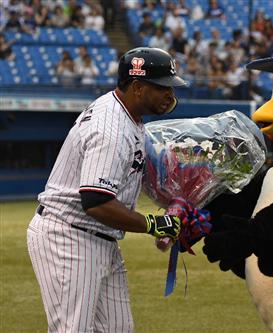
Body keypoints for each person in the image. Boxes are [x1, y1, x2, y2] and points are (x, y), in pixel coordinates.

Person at [27, 47, 190, 332]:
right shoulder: (110, 129)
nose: (170, 94)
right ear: (138, 87)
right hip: (69, 236)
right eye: (162, 87)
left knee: (118, 328)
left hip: (98, 237)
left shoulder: (128, 115)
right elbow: (96, 202)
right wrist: (153, 223)